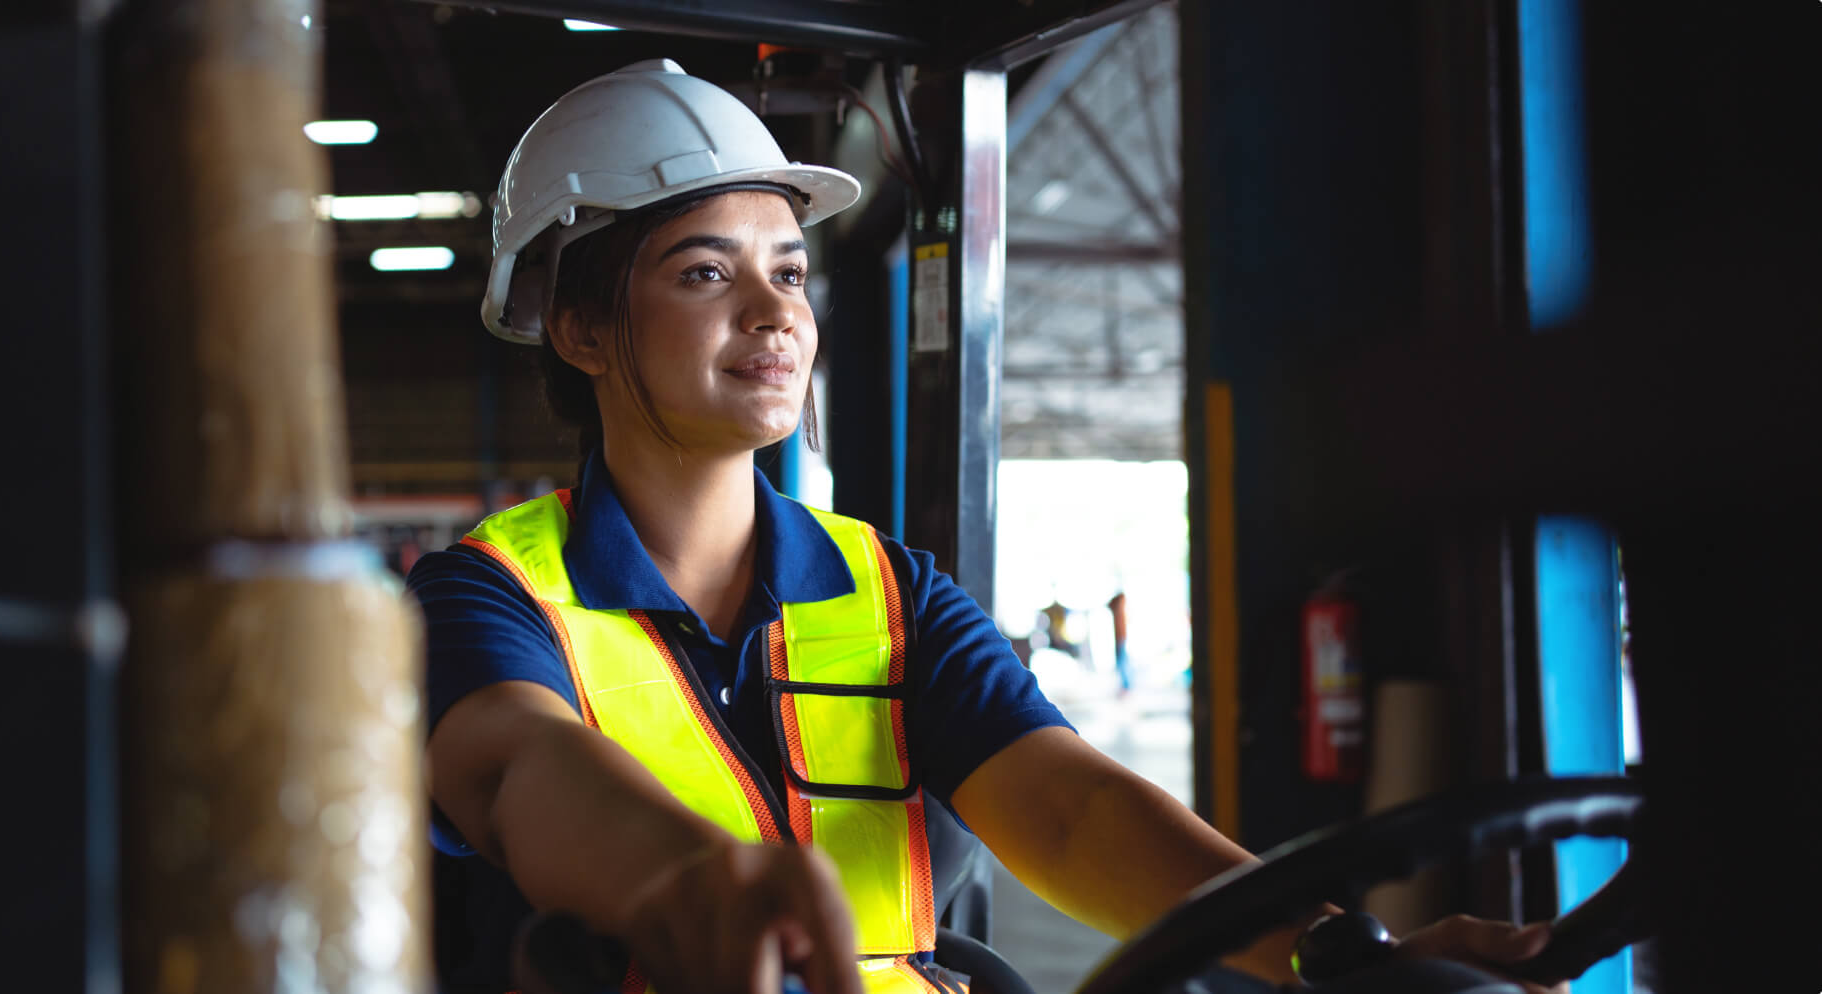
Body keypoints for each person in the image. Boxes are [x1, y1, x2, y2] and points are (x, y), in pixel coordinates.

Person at [414, 59, 1566, 994]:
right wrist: (690, 884)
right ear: (578, 331)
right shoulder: (489, 595)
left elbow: (1069, 809)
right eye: (705, 274)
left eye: (790, 273)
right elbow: (521, 768)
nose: (774, 314)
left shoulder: (888, 592)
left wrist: (1344, 954)